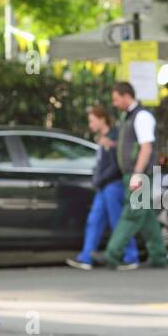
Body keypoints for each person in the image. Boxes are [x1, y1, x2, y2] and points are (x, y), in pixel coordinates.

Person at [95, 82, 168, 271]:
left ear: (126, 96)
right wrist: (112, 145)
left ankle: (112, 254)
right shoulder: (129, 116)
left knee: (131, 215)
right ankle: (159, 256)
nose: (114, 103)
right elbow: (132, 145)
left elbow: (146, 147)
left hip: (139, 174)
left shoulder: (141, 116)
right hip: (135, 174)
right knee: (146, 217)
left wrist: (137, 173)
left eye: (116, 99)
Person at [66, 105, 139, 270]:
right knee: (94, 220)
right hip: (103, 185)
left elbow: (116, 165)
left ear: (101, 119)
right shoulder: (102, 138)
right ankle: (86, 256)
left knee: (118, 221)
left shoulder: (113, 137)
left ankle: (130, 255)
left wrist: (100, 178)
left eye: (92, 120)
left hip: (112, 185)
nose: (90, 124)